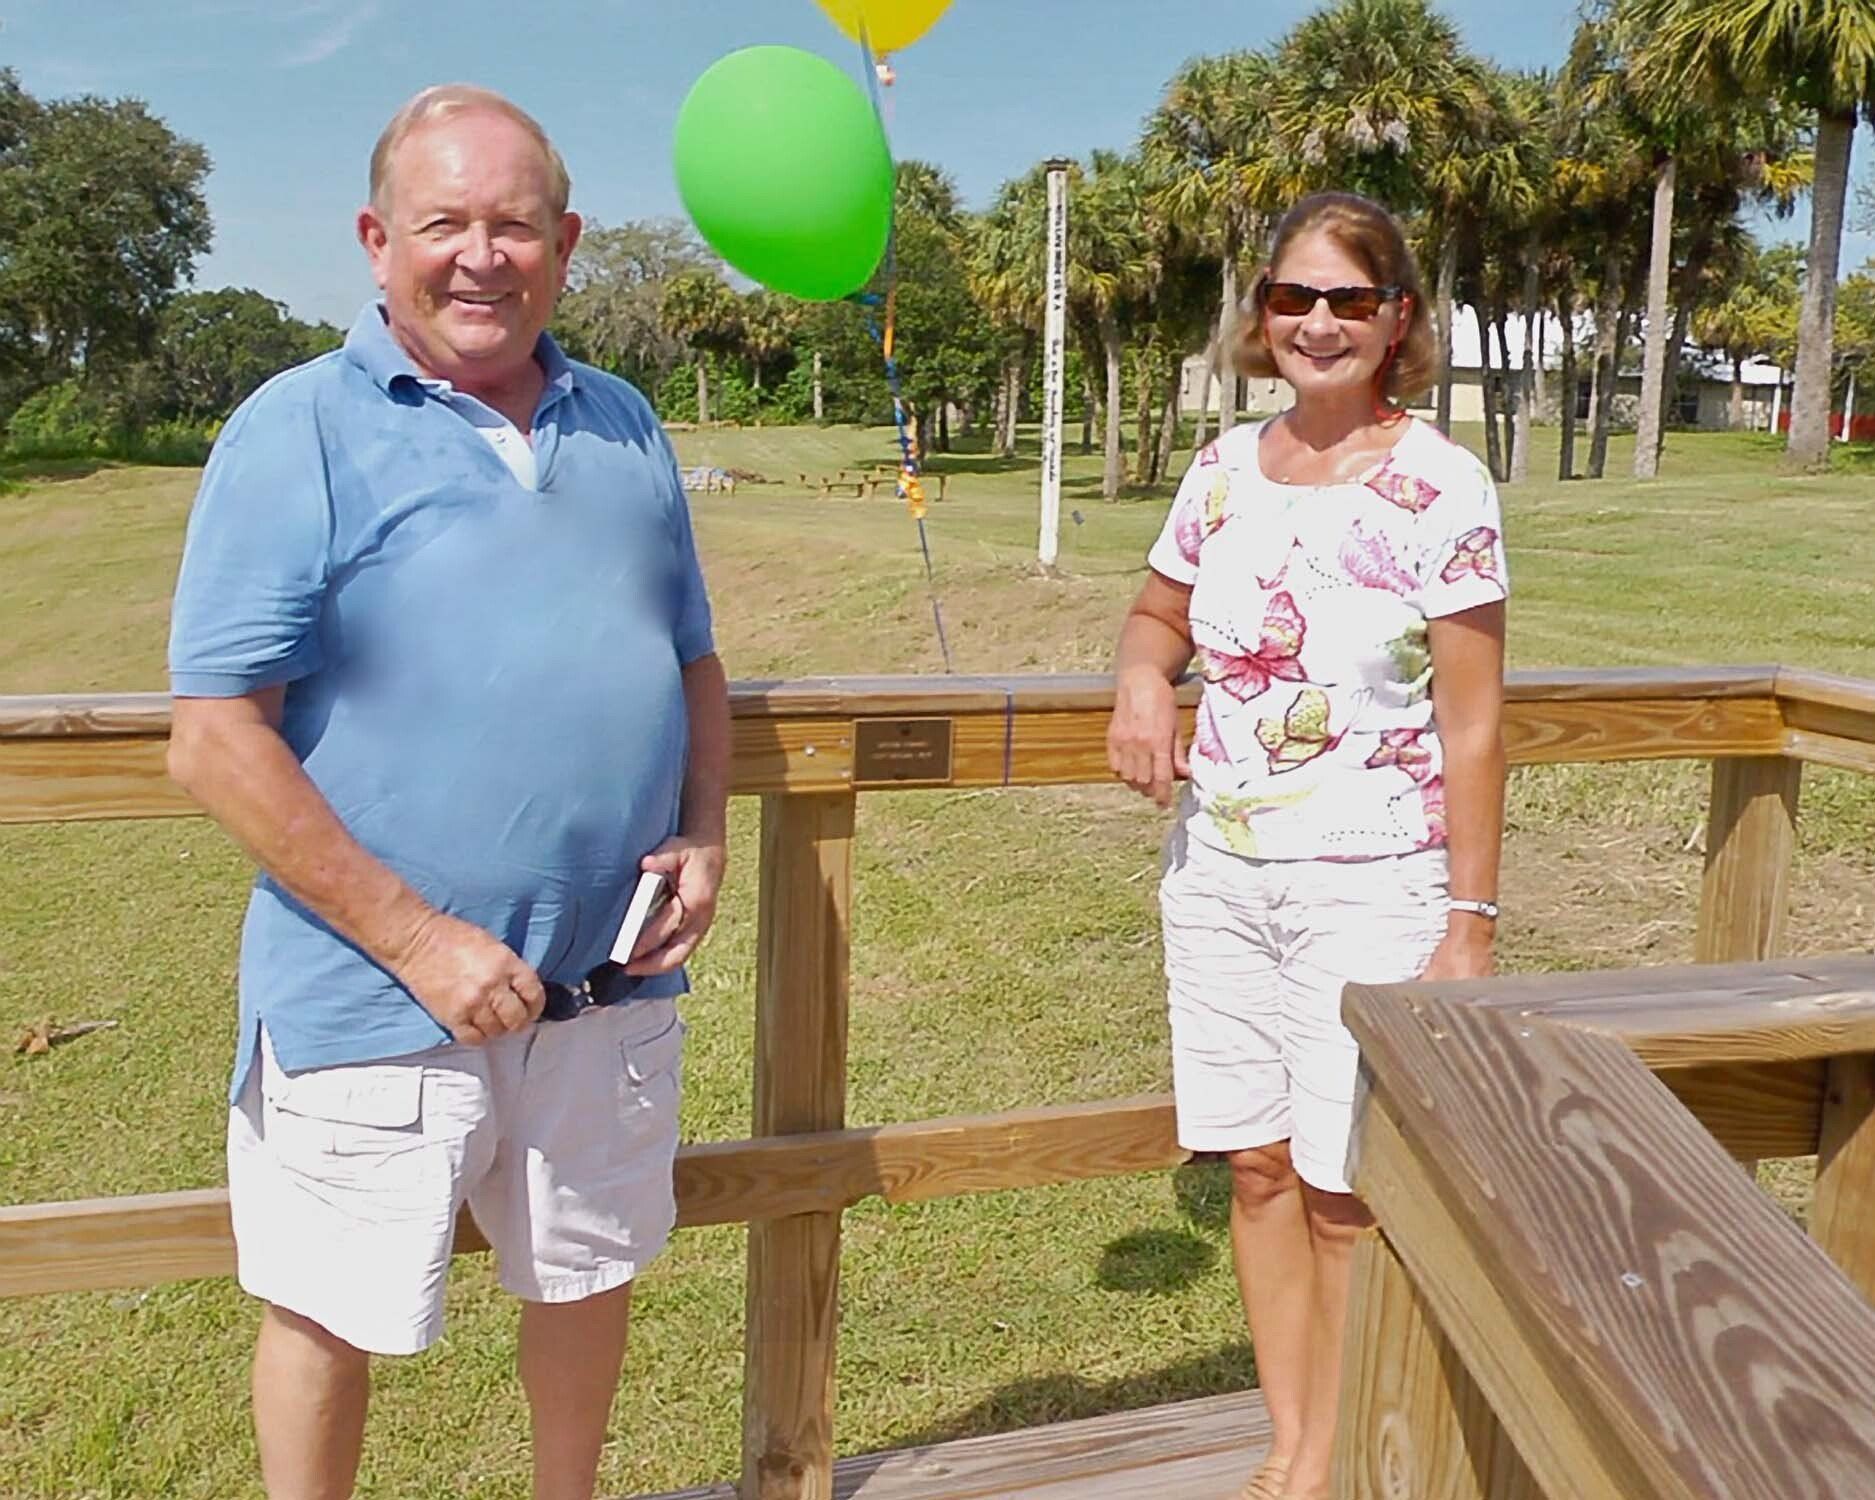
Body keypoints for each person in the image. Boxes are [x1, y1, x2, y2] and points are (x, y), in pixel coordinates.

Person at [165, 85, 729, 1500]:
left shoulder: (625, 424)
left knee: (586, 1281)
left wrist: (707, 835)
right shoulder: (295, 427)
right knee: (325, 1316)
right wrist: (420, 940)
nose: (483, 256)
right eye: (446, 224)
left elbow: (694, 664)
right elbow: (215, 736)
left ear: (566, 243)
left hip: (608, 984)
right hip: (371, 996)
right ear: (375, 241)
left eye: (515, 225)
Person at [1106, 191, 1507, 1500]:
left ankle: (1333, 1461)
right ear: (1260, 315)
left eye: (1348, 299)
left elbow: (1477, 723)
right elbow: (1156, 612)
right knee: (1260, 1171)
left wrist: (1469, 923)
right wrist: (1138, 685)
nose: (1318, 322)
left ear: (1398, 320)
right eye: (1293, 297)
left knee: (1347, 1193)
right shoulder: (1223, 468)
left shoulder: (1443, 483)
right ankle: (1289, 1444)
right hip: (1216, 876)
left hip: (1373, 889)